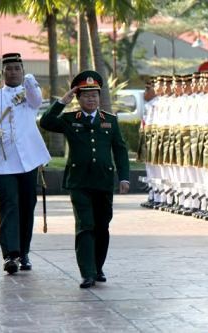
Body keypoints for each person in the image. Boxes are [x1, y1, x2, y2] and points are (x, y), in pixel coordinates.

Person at [40, 70, 130, 288]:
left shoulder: (109, 121)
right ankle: (87, 273)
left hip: (103, 181)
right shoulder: (70, 119)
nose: (91, 99)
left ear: (99, 98)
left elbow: (120, 150)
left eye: (95, 95)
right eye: (86, 95)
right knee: (85, 225)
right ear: (78, 98)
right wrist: (62, 102)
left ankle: (98, 268)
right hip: (79, 182)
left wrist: (124, 177)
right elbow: (46, 121)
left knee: (102, 226)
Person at [0, 53, 51, 274]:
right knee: (8, 207)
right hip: (4, 162)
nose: (13, 72)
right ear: (2, 72)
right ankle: (10, 256)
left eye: (17, 68)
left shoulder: (28, 94)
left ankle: (24, 252)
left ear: (22, 71)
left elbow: (37, 101)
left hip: (29, 162)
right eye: (9, 68)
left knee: (26, 207)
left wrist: (30, 79)